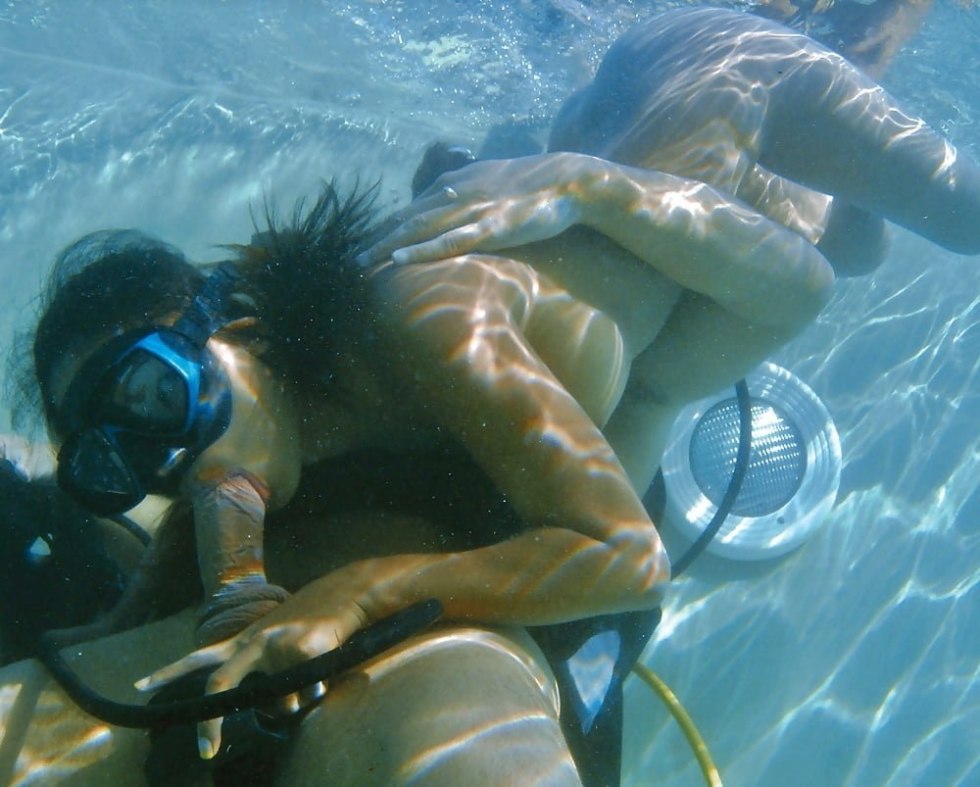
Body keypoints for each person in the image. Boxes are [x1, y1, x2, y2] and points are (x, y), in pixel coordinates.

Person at [3, 8, 978, 786]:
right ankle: (806, 156)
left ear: (232, 323)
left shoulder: (423, 326)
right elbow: (205, 508)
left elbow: (625, 557)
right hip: (659, 305)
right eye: (106, 462)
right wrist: (120, 618)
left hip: (712, 77)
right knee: (852, 245)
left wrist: (359, 590)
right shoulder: (262, 416)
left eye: (146, 392)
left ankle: (855, 37)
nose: (159, 462)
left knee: (953, 211)